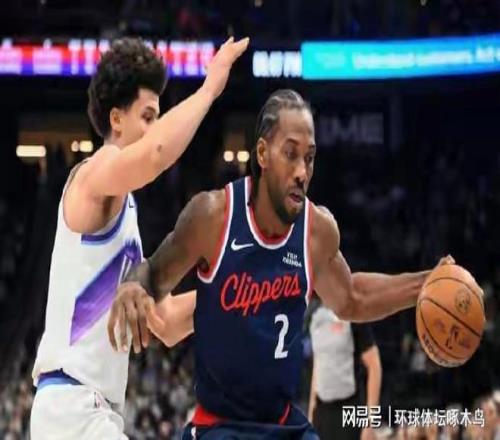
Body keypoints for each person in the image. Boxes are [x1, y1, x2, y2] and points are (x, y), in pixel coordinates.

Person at [109, 89, 454, 439]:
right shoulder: (212, 216)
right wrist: (133, 285)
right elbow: (153, 273)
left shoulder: (317, 231)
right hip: (220, 426)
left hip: (283, 423)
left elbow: (352, 298)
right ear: (262, 153)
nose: (302, 171)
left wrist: (425, 284)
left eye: (310, 158)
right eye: (290, 154)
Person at [30, 36, 248, 440]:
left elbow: (166, 322)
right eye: (148, 117)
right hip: (73, 406)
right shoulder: (93, 176)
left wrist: (245, 292)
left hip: (89, 412)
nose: (154, 129)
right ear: (116, 120)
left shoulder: (126, 218)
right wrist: (209, 89)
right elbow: (155, 153)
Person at [308, 298, 382, 440]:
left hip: (350, 408)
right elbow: (318, 365)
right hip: (322, 411)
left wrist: (370, 422)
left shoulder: (353, 313)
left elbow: (374, 366)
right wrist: (311, 414)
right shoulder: (315, 315)